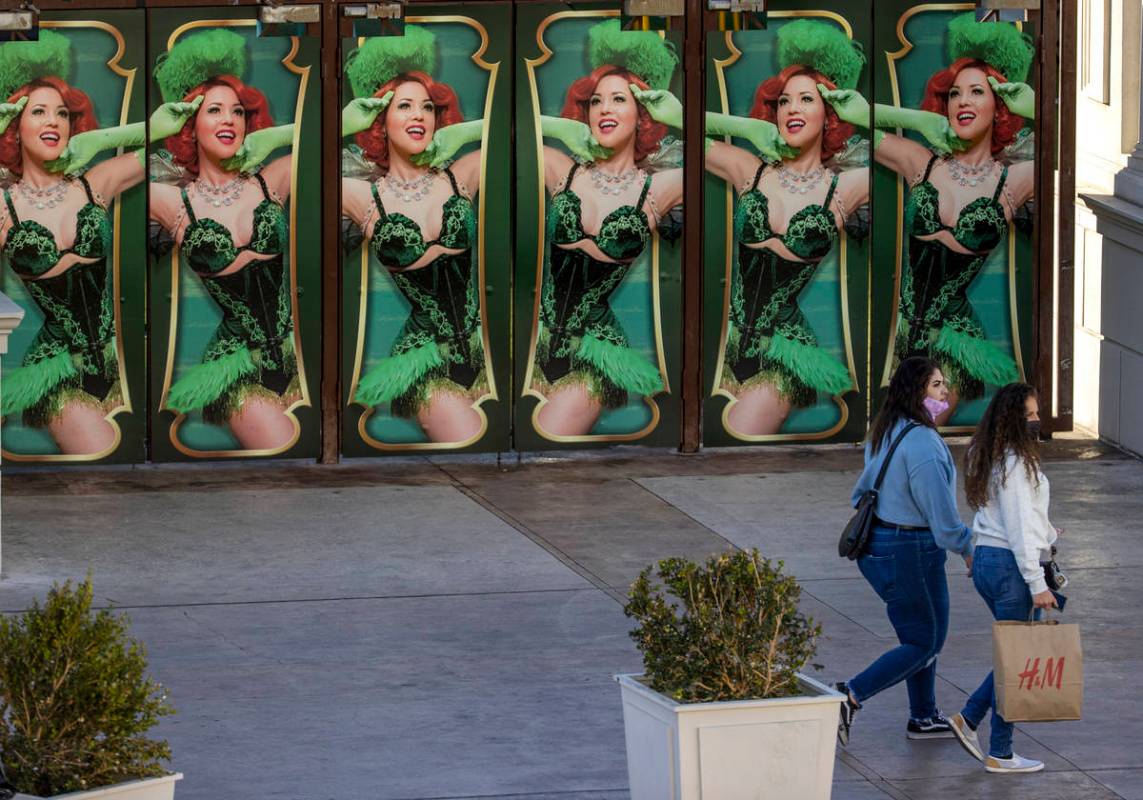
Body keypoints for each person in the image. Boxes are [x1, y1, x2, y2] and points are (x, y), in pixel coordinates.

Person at [822, 14, 1033, 424]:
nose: (963, 102)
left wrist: (1033, 105)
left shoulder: (1012, 180)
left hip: (955, 341)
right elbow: (854, 117)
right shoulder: (922, 163)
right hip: (908, 336)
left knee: (922, 429)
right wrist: (917, 120)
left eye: (977, 92)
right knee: (897, 429)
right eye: (954, 93)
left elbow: (1066, 144)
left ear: (1001, 105)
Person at [0, 31, 191, 455]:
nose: (53, 121)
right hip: (53, 369)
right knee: (93, 465)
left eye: (63, 114)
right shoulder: (4, 204)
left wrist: (100, 141)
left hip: (113, 362)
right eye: (38, 113)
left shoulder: (95, 184)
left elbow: (165, 135)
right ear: (15, 127)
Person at [702, 20, 867, 435]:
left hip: (787, 349)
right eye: (784, 101)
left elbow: (923, 158)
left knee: (743, 436)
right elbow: (674, 122)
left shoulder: (844, 186)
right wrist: (743, 128)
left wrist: (864, 114)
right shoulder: (748, 171)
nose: (792, 109)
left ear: (830, 114)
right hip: (730, 343)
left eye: (807, 99)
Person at [529, 20, 683, 436]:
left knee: (554, 435)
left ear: (643, 114)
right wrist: (561, 127)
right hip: (537, 343)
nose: (605, 109)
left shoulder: (659, 186)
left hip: (598, 349)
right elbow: (501, 129)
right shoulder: (562, 170)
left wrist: (680, 115)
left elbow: (721, 153)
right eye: (596, 101)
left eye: (619, 99)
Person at [149, 29, 299, 451]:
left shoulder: (273, 180)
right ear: (188, 125)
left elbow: (325, 136)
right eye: (213, 110)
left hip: (292, 356)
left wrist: (273, 137)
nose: (229, 120)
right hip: (232, 364)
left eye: (237, 112)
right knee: (278, 453)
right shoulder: (174, 200)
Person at [340, 26, 487, 444]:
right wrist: (343, 122)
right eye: (403, 106)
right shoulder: (365, 196)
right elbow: (303, 157)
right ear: (379, 122)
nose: (419, 115)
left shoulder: (462, 176)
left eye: (427, 107)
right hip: (421, 356)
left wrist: (463, 132)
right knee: (465, 438)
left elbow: (520, 130)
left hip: (483, 351)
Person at [835, 355, 974, 746]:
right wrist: (968, 547)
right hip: (908, 547)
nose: (944, 391)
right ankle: (848, 694)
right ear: (915, 391)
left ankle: (923, 715)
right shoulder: (924, 445)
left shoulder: (887, 428)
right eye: (935, 385)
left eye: (944, 383)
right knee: (924, 640)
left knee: (923, 633)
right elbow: (944, 521)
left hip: (883, 543)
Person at [946, 382, 1059, 773]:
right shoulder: (1013, 462)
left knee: (1012, 657)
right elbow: (1017, 525)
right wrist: (1037, 583)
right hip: (1011, 566)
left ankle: (969, 719)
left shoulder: (987, 452)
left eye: (1036, 412)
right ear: (1011, 417)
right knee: (1018, 660)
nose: (1036, 420)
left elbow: (1008, 518)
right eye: (1028, 414)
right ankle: (1000, 751)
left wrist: (1049, 533)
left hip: (988, 560)